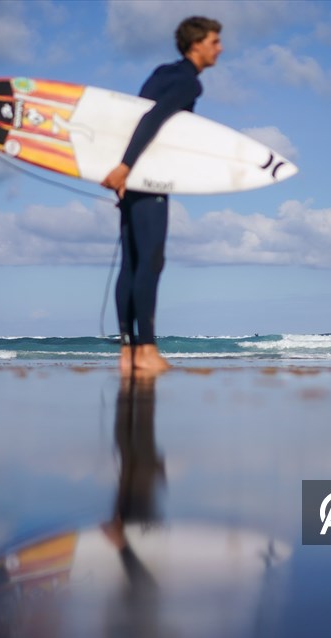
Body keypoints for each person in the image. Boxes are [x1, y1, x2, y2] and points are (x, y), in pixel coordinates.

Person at [102, 16, 223, 376]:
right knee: (151, 263)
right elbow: (152, 120)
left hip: (131, 174)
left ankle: (128, 354)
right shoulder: (188, 83)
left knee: (131, 262)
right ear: (196, 44)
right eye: (215, 42)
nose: (220, 48)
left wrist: (120, 168)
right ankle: (147, 350)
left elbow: (133, 116)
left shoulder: (161, 73)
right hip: (148, 177)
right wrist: (125, 167)